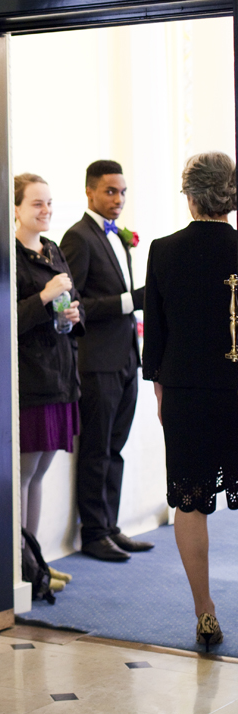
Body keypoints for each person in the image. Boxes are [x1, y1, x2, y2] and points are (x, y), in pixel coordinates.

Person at [142, 151, 238, 650]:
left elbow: (155, 335)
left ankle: (205, 612)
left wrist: (161, 391)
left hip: (186, 391)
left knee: (190, 502)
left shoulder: (164, 250)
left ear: (190, 195)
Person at [60, 159, 153, 562]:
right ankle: (93, 533)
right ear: (90, 192)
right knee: (97, 449)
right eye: (110, 191)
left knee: (116, 447)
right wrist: (130, 301)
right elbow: (74, 303)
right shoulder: (78, 237)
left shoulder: (116, 235)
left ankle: (110, 527)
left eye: (122, 191)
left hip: (126, 357)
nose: (118, 199)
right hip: (96, 361)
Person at [15, 174, 83, 587]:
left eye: (50, 203)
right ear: (16, 209)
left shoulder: (53, 249)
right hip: (31, 379)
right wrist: (44, 297)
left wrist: (74, 314)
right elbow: (6, 316)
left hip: (61, 374)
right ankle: (22, 568)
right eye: (37, 203)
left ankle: (34, 559)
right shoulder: (9, 254)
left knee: (39, 475)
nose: (46, 210)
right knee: (23, 476)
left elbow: (74, 303)